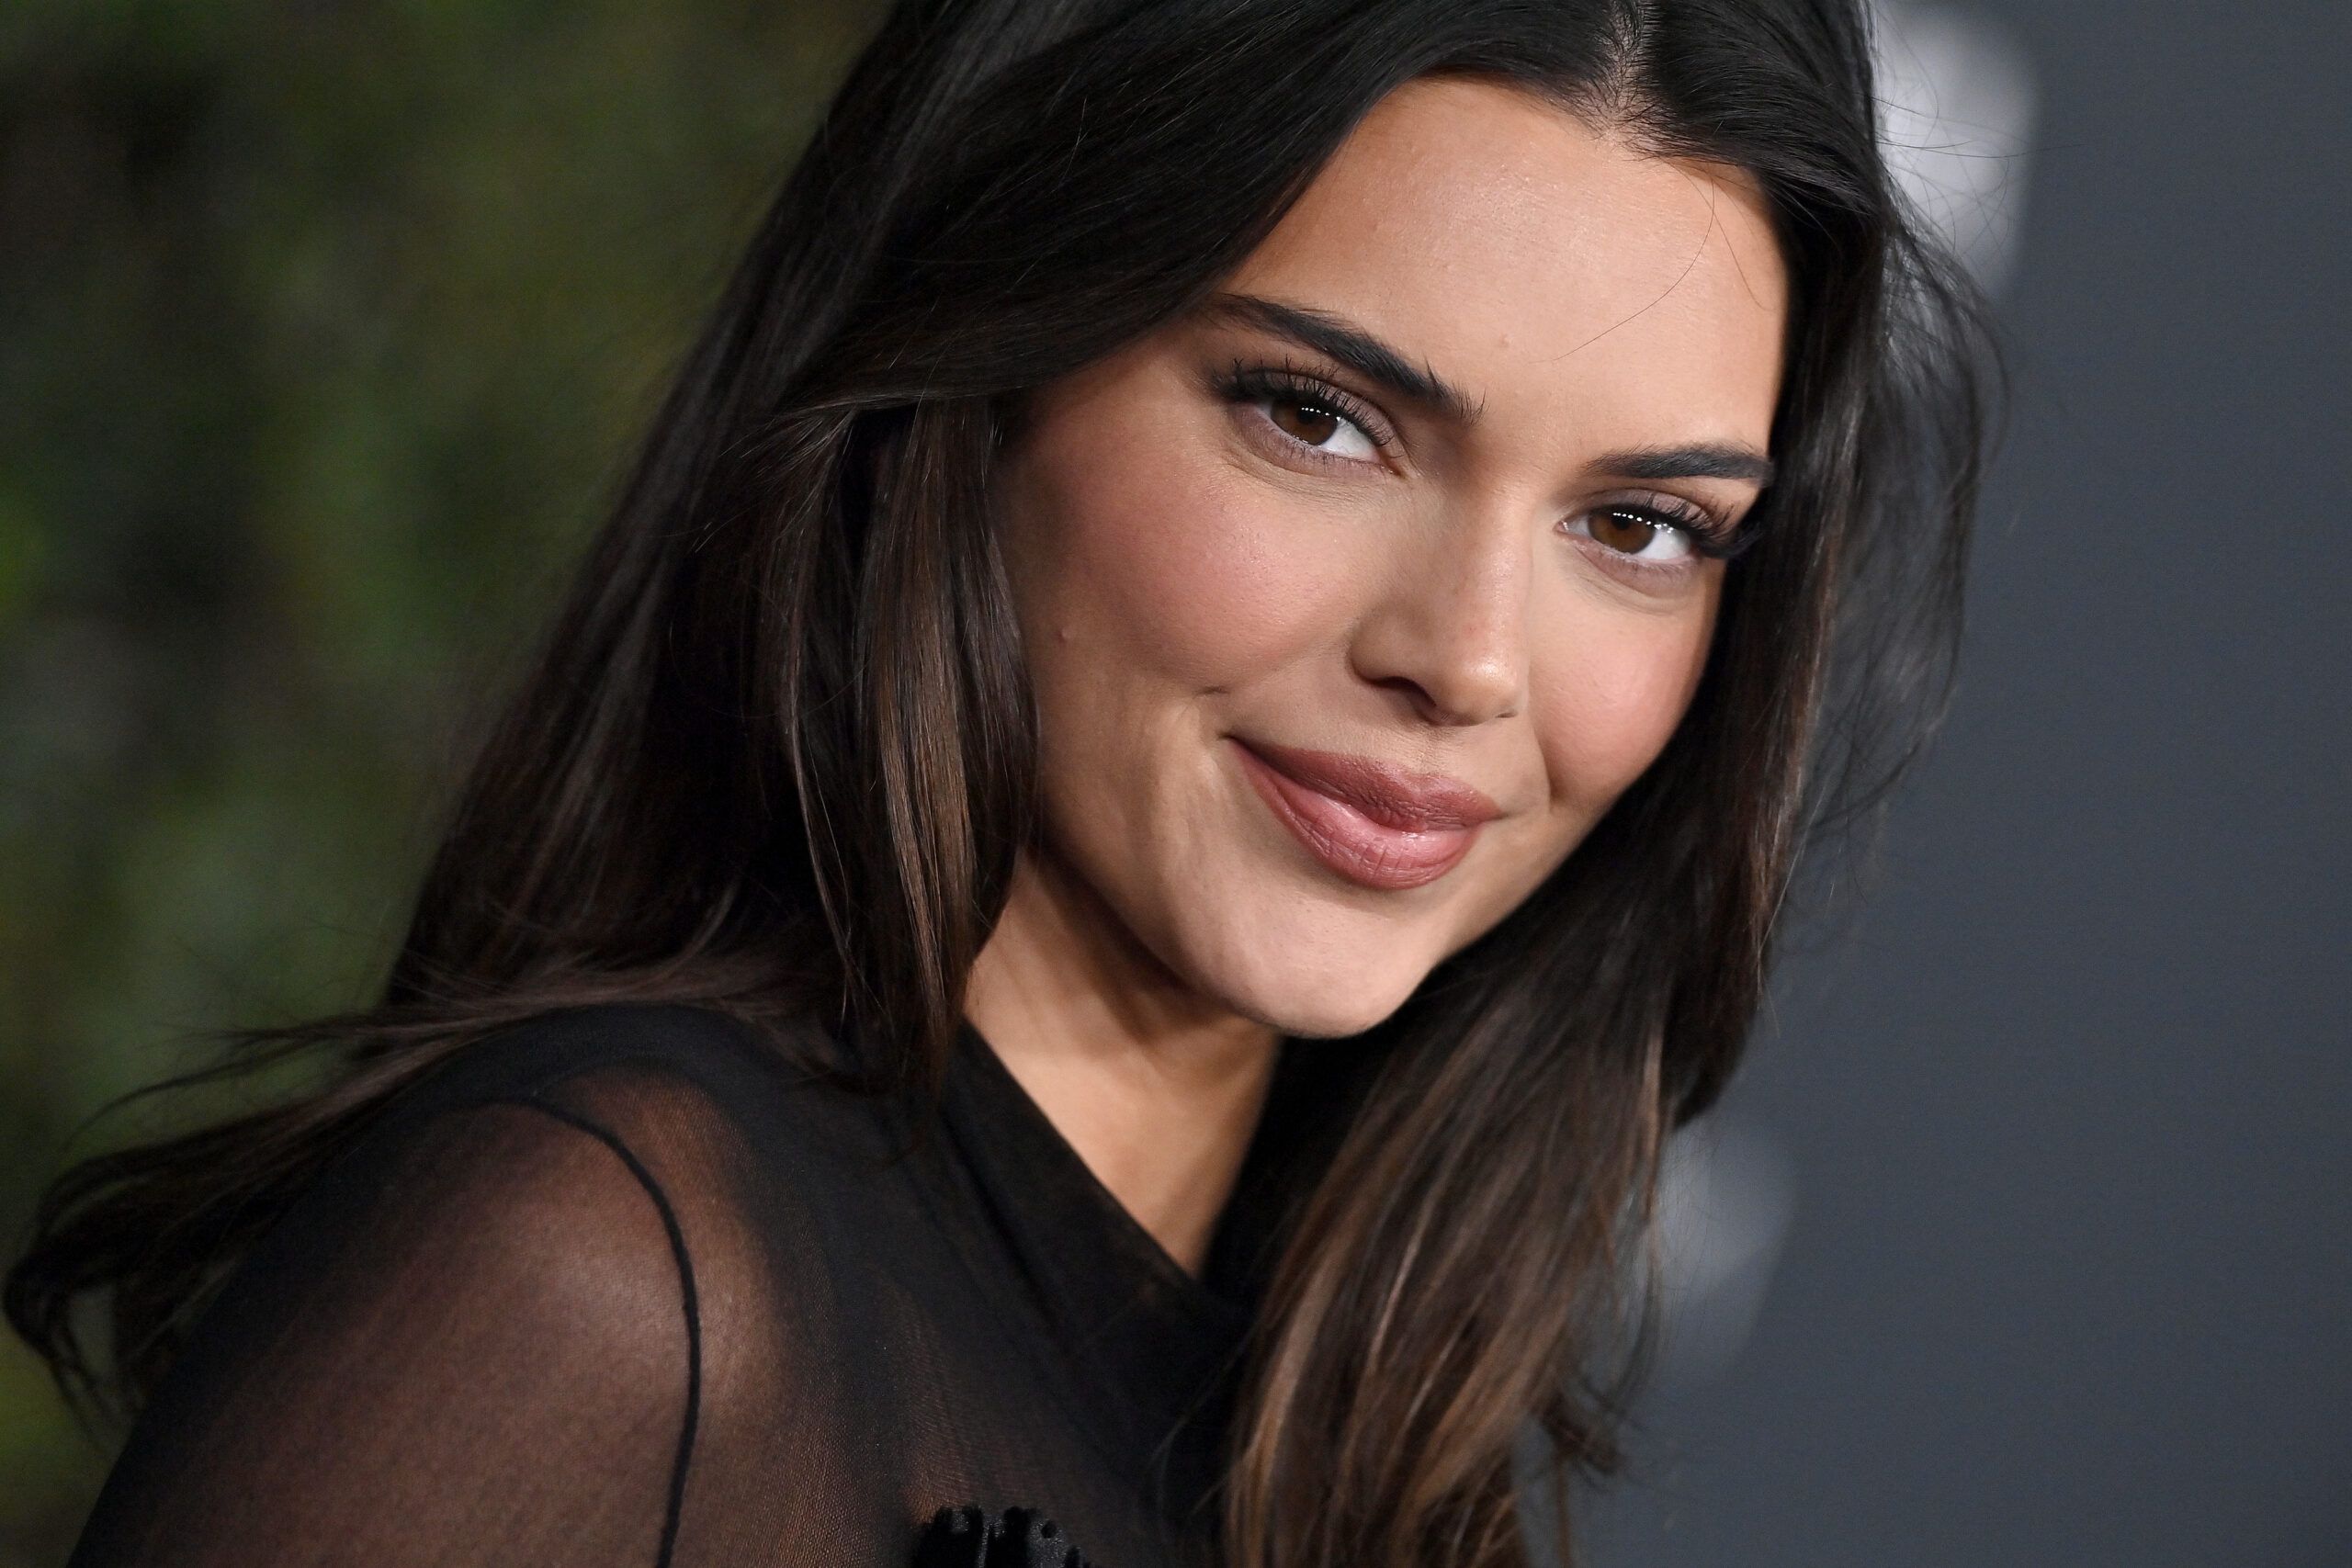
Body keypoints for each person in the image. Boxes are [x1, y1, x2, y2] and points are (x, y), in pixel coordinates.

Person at [5, 1, 1993, 1564]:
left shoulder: (1352, 1446)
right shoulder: (599, 1283)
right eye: (1318, 419)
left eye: (1637, 526)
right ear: (986, 364)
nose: (1467, 659)